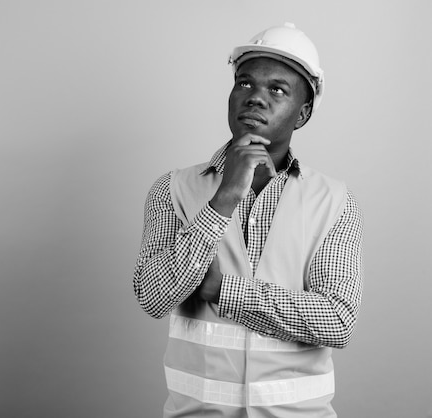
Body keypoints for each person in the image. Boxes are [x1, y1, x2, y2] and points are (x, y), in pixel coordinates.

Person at [133, 23, 363, 417]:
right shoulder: (172, 189)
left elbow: (337, 320)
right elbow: (153, 297)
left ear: (303, 112)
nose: (255, 97)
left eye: (277, 89)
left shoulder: (334, 200)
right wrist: (224, 198)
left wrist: (224, 291)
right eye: (244, 83)